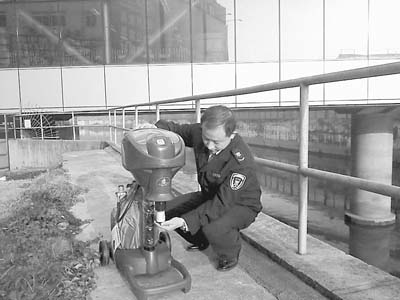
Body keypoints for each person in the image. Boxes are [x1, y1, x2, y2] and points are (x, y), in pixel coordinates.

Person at [155, 105, 262, 272]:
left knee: (213, 227)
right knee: (166, 211)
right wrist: (154, 128)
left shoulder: (241, 164)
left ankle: (229, 254)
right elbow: (176, 129)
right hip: (210, 195)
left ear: (231, 134)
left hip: (239, 204)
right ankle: (202, 240)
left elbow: (220, 204)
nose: (210, 146)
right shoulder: (202, 132)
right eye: (206, 139)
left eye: (216, 142)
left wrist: (184, 221)